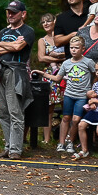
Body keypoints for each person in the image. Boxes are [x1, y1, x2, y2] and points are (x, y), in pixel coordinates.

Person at [0, 0, 37, 159]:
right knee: (2, 111)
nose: (10, 14)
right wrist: (7, 43)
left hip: (17, 71)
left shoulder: (28, 31)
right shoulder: (3, 31)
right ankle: (8, 147)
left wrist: (1, 45)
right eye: (8, 11)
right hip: (1, 70)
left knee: (15, 110)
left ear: (23, 14)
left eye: (14, 12)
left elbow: (17, 48)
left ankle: (16, 149)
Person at [48, 36, 95, 155]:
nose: (73, 50)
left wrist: (92, 89)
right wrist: (42, 74)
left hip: (82, 95)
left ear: (83, 49)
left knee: (76, 119)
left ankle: (70, 141)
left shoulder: (88, 62)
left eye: (76, 48)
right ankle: (61, 142)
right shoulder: (66, 63)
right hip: (69, 94)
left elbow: (96, 75)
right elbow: (58, 78)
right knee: (66, 118)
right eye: (71, 48)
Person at [34, 13, 66, 146]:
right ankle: (46, 139)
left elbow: (71, 54)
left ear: (55, 22)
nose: (46, 24)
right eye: (43, 22)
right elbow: (42, 58)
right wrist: (59, 58)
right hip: (49, 74)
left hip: (66, 73)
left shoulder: (63, 37)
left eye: (48, 21)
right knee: (49, 107)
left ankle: (65, 139)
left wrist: (58, 56)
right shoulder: (42, 40)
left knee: (66, 106)